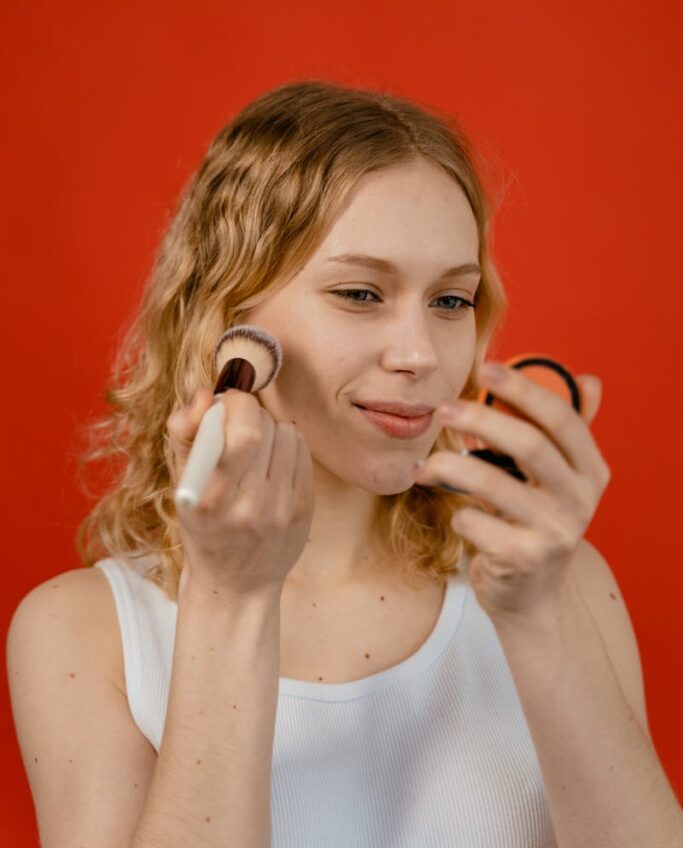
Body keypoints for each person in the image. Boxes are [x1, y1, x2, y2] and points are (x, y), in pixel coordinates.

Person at [7, 80, 681, 848]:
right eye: (361, 293)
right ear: (230, 318)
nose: (420, 355)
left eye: (450, 301)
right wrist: (230, 600)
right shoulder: (82, 633)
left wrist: (537, 614)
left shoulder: (559, 583)